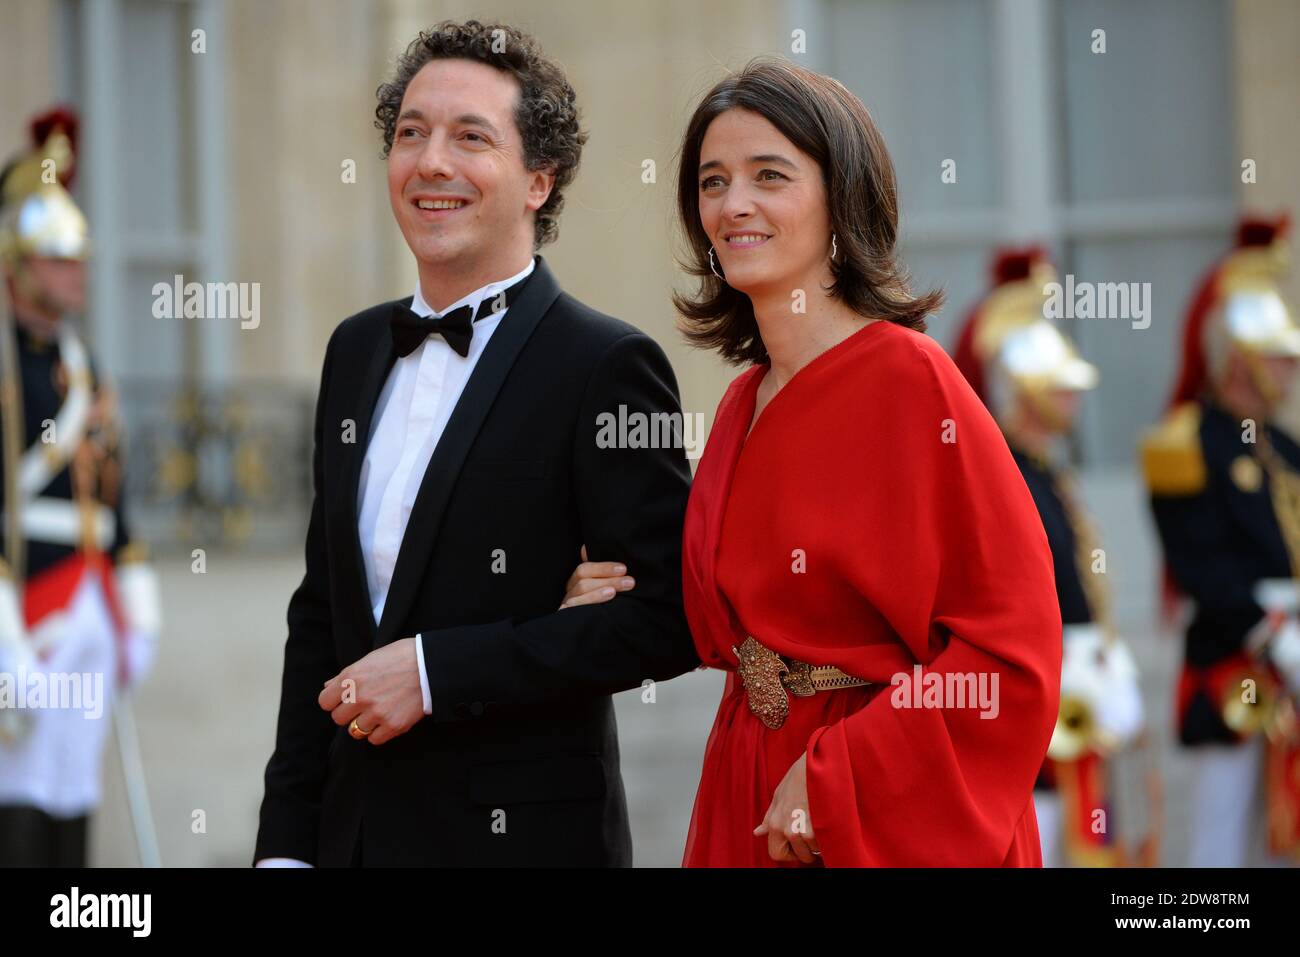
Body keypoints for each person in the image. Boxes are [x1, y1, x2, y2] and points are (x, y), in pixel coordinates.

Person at [561, 57, 1061, 866]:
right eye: (713, 181)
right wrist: (587, 591)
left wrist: (843, 777)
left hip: (874, 810)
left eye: (770, 176)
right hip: (745, 789)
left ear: (840, 200)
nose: (735, 205)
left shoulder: (911, 381)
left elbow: (1012, 652)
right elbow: (712, 621)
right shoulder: (739, 403)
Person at [253, 20, 699, 868]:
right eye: (411, 133)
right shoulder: (352, 352)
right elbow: (322, 614)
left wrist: (435, 671)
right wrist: (285, 846)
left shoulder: (606, 364)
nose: (431, 162)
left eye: (471, 137)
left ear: (540, 178)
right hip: (350, 840)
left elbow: (670, 618)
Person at [954, 247, 1154, 867]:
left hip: (1076, 691)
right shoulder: (1003, 473)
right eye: (1058, 390)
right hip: (1030, 701)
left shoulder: (1044, 468)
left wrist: (1101, 651)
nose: (1071, 402)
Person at [0, 107, 161, 866]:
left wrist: (138, 606)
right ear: (18, 263)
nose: (79, 272)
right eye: (60, 258)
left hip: (88, 599)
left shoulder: (84, 365)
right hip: (25, 607)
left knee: (72, 787)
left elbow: (111, 494)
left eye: (80, 257)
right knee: (20, 789)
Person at [1141, 214, 1300, 866]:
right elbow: (1201, 563)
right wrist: (1272, 634)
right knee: (1221, 841)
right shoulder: (1186, 442)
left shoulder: (1285, 446)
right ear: (1238, 356)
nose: (1289, 368)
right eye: (1276, 356)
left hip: (1292, 651)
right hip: (1238, 657)